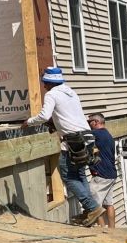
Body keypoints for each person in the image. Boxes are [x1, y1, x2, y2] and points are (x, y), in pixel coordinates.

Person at [22, 67, 103, 226]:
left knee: (68, 176)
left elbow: (44, 115)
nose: (44, 86)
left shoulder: (52, 94)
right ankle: (89, 210)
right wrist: (56, 124)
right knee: (80, 174)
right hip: (87, 137)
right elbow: (67, 115)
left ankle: (92, 208)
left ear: (49, 83)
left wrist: (29, 122)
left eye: (45, 83)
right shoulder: (71, 92)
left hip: (74, 141)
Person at [88, 113, 117, 228]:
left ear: (96, 122)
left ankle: (102, 231)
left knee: (95, 205)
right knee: (109, 204)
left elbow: (80, 135)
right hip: (111, 174)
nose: (88, 124)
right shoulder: (108, 135)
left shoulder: (97, 134)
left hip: (101, 176)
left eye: (89, 122)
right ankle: (112, 230)